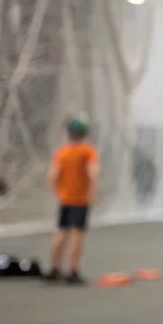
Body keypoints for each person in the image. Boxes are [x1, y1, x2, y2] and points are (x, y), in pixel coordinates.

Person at [46, 114, 100, 285]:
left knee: (61, 232)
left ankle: (55, 268)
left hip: (65, 199)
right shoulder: (88, 151)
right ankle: (73, 270)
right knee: (77, 234)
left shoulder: (62, 152)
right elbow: (93, 173)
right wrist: (93, 192)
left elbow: (52, 176)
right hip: (80, 200)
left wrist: (58, 192)